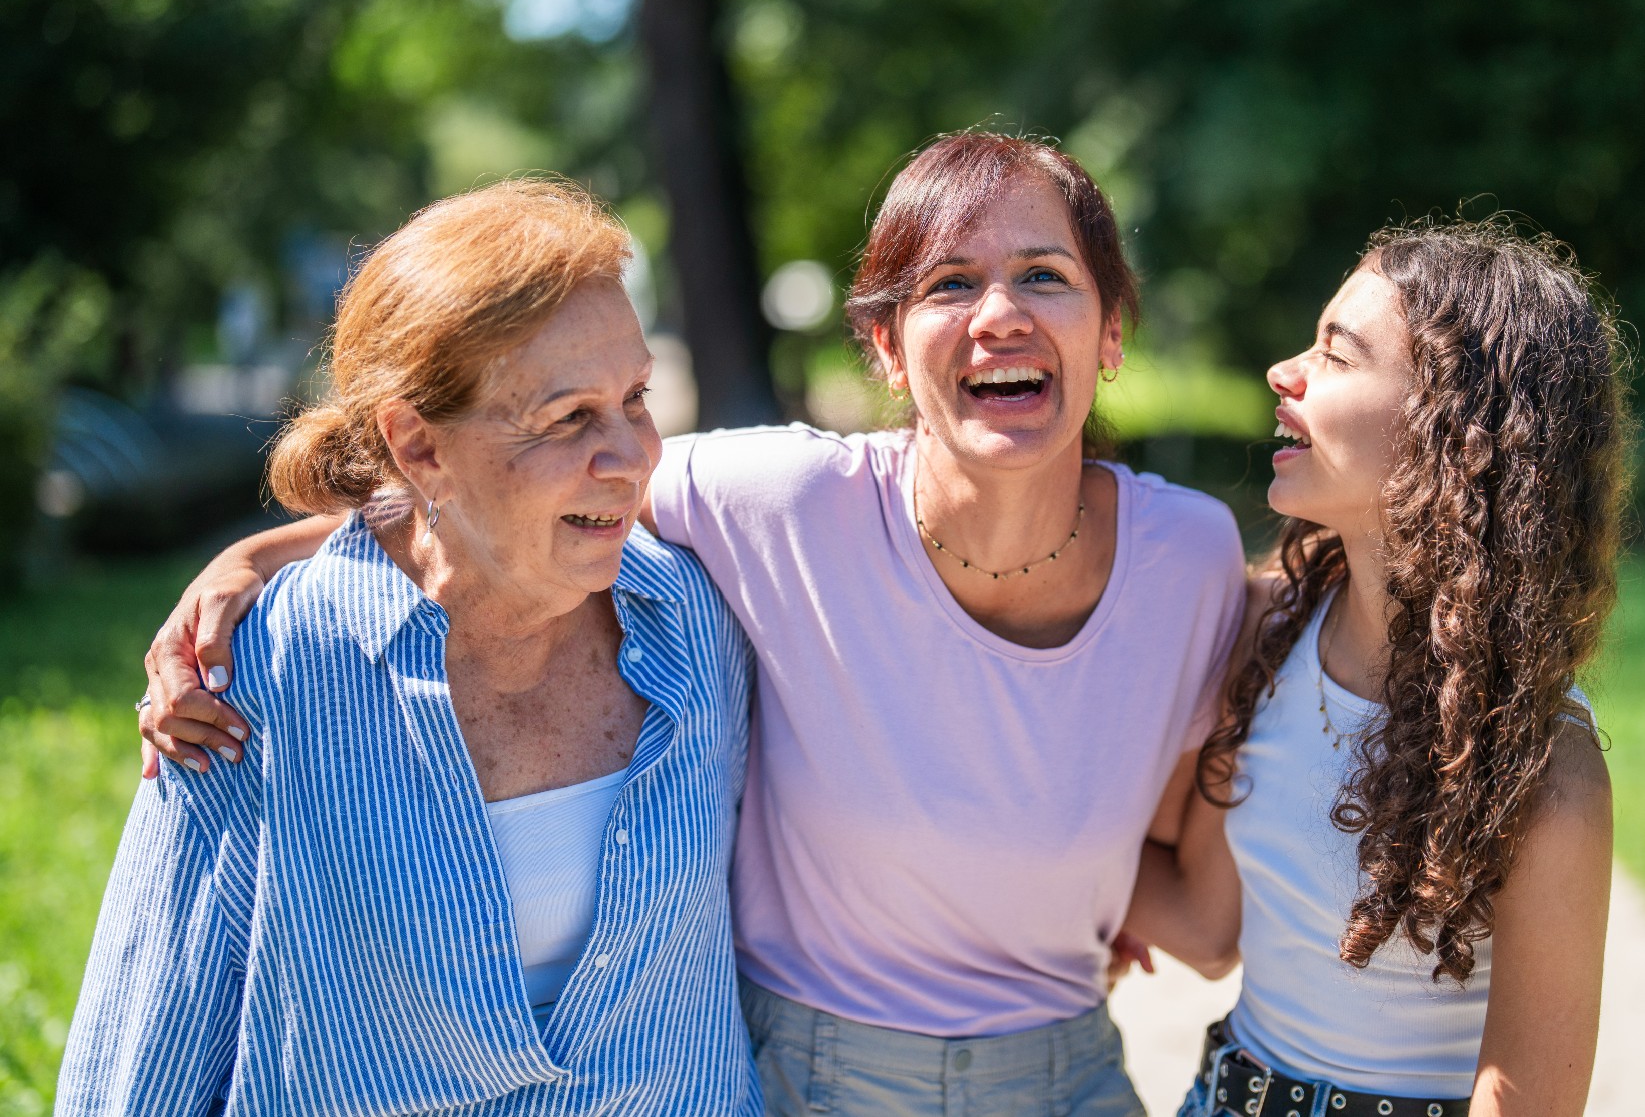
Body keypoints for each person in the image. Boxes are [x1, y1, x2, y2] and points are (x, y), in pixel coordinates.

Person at [136, 133, 1247, 1116]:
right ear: (883, 348)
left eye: (1045, 277)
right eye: (951, 282)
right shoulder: (783, 501)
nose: (1000, 314)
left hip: (1074, 1075)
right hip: (809, 1078)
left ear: (1109, 331)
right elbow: (500, 500)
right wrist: (255, 558)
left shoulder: (1189, 559)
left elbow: (1165, 854)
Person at [59, 181, 760, 1115]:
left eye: (634, 397)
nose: (630, 455)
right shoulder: (261, 668)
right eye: (567, 418)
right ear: (419, 448)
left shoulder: (697, 622)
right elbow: (156, 1021)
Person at [1126, 221, 1622, 1117]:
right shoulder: (1266, 626)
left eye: (1335, 354)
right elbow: (1205, 926)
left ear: (1455, 431)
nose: (1284, 373)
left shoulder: (1546, 770)